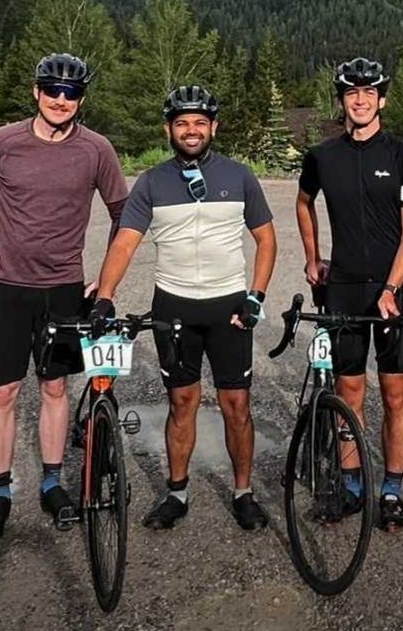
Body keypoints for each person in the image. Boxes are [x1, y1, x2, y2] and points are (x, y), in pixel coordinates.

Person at [0, 53, 129, 541]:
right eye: (53, 90)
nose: (61, 100)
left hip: (63, 288)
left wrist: (106, 278)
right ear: (36, 91)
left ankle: (52, 482)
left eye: (71, 94)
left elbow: (124, 212)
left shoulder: (97, 149)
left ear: (81, 100)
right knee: (2, 392)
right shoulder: (3, 140)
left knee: (54, 388)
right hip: (6, 289)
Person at [91, 85, 276, 530]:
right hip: (173, 306)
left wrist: (256, 295)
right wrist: (104, 295)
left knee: (236, 404)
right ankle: (176, 492)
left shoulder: (240, 176)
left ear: (213, 127)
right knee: (182, 402)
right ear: (168, 130)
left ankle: (243, 492)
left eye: (199, 123)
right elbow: (126, 243)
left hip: (229, 305)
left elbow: (266, 240)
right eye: (181, 123)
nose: (191, 130)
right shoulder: (151, 181)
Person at [297, 57, 403, 531]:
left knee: (396, 393)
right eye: (352, 92)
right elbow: (303, 201)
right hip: (345, 288)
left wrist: (392, 286)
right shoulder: (322, 156)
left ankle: (391, 490)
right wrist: (313, 257)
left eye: (369, 92)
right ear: (342, 100)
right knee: (349, 391)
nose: (360, 100)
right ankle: (352, 485)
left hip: (393, 290)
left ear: (382, 100)